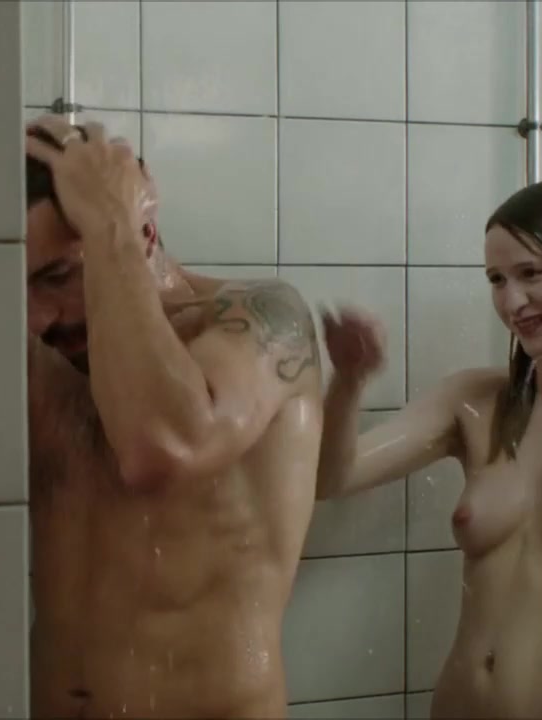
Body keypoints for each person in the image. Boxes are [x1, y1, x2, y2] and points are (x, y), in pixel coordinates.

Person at [22, 114, 323, 719]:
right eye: (20, 288)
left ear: (145, 230)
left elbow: (161, 446)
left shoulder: (261, 321)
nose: (37, 318)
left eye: (57, 276)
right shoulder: (39, 354)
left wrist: (109, 227)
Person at [316, 181, 542, 719]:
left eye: (530, 273)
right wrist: (349, 382)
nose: (511, 302)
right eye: (496, 280)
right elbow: (332, 477)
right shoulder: (475, 403)